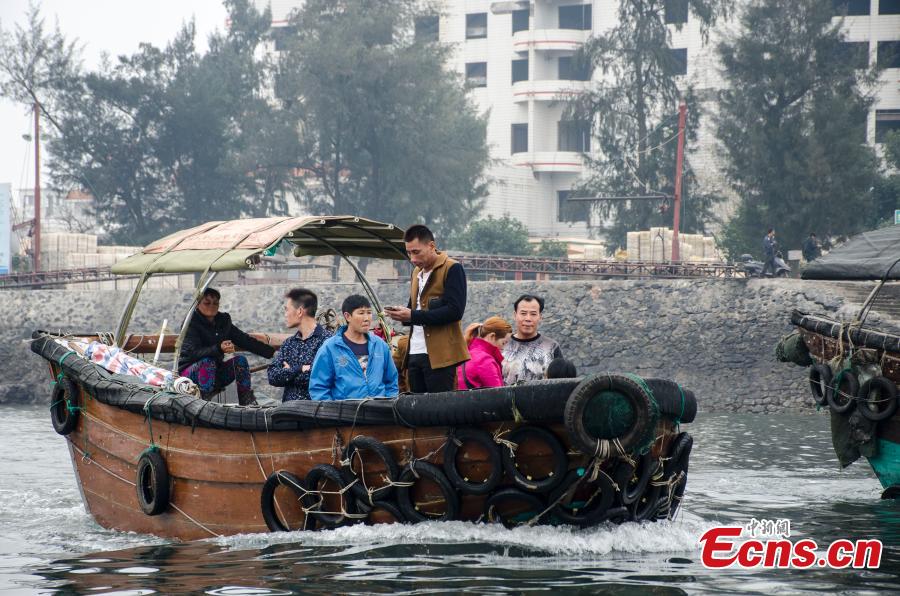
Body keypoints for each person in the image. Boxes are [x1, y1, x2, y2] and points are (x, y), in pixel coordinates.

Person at [385, 224, 469, 393]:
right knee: (418, 410)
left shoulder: (452, 268)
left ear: (431, 246)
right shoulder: (416, 273)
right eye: (409, 253)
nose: (412, 259)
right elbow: (414, 309)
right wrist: (402, 314)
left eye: (416, 252)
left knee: (440, 412)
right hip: (414, 352)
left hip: (441, 355)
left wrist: (413, 315)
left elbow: (455, 311)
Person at [178, 287, 275, 405]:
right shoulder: (191, 322)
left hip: (215, 373)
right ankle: (204, 401)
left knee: (240, 361)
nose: (212, 306)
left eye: (215, 303)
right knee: (207, 361)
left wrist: (272, 353)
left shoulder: (223, 320)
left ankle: (246, 401)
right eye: (207, 303)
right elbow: (191, 353)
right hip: (190, 374)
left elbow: (244, 340)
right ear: (197, 304)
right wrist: (219, 348)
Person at [309, 294, 399, 401]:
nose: (366, 318)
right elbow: (319, 388)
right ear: (347, 316)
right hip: (344, 414)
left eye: (369, 313)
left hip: (378, 413)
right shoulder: (330, 348)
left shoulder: (380, 345)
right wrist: (333, 414)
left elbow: (391, 382)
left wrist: (388, 405)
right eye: (361, 313)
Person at [267, 288, 332, 402]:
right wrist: (299, 369)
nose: (285, 314)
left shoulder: (327, 341)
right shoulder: (289, 343)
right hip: (287, 414)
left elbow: (321, 378)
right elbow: (272, 376)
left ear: (300, 311)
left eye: (287, 310)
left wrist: (289, 372)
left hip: (316, 414)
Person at [502, 294, 564, 385]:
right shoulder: (502, 345)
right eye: (523, 313)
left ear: (540, 317)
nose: (528, 319)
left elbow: (562, 381)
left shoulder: (552, 347)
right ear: (515, 315)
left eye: (533, 314)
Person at [458, 316, 513, 389]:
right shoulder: (485, 360)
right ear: (492, 336)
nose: (503, 348)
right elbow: (498, 394)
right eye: (503, 343)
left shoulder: (468, 354)